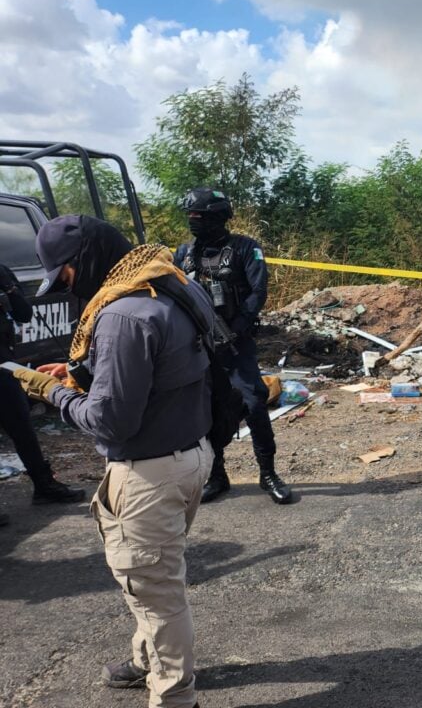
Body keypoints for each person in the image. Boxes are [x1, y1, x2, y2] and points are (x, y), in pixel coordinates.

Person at [16, 214, 214, 708]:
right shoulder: (169, 283)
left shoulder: (123, 314)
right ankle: (147, 659)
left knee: (155, 592)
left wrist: (53, 391)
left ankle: (174, 697)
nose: (65, 286)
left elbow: (109, 423)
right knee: (155, 576)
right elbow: (159, 372)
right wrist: (85, 373)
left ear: (83, 262)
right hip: (189, 454)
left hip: (148, 473)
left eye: (63, 274)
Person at [173, 187, 292, 505]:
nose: (194, 222)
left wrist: (237, 327)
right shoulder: (184, 253)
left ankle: (268, 474)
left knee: (254, 404)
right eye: (191, 216)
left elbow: (258, 291)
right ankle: (217, 476)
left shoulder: (245, 248)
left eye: (199, 216)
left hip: (236, 344)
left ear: (218, 218)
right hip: (199, 347)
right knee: (206, 411)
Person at [0, 264, 85, 524]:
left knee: (22, 426)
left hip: (3, 365)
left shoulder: (3, 271)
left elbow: (24, 314)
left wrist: (9, 287)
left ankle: (44, 485)